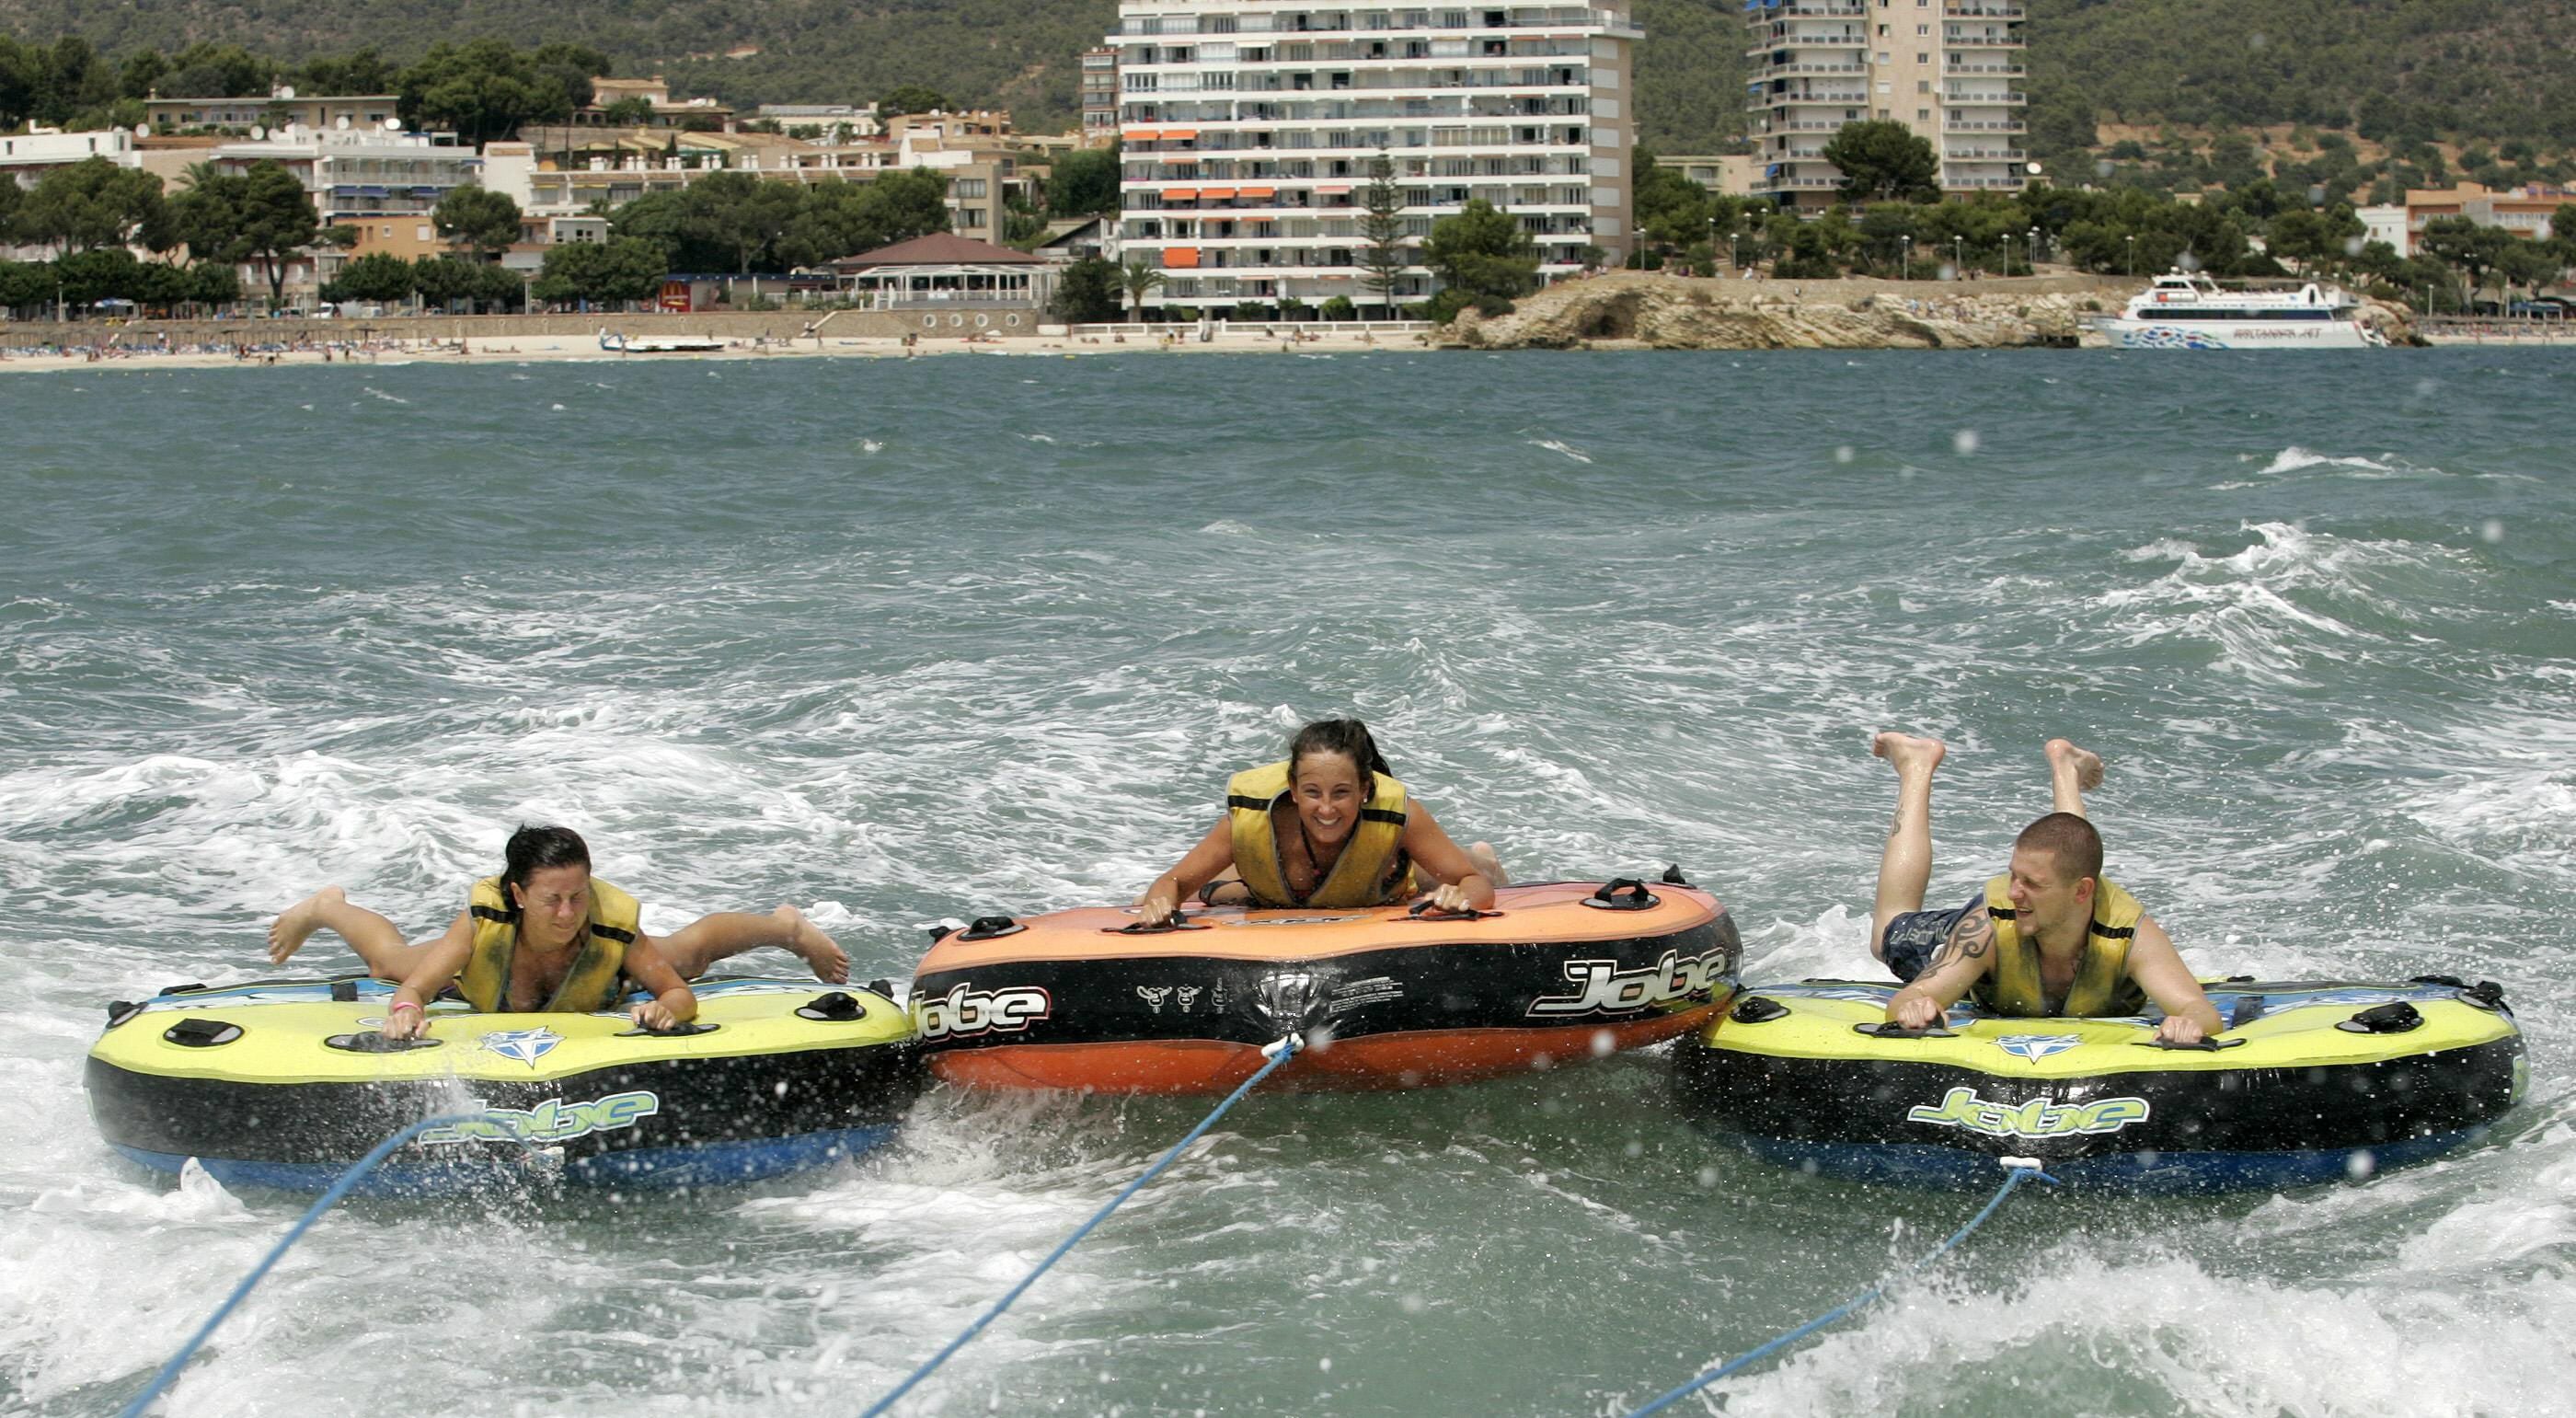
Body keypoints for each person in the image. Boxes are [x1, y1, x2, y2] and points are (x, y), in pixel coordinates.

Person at [267, 825, 850, 1038]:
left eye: (579, 895)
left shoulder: (606, 926)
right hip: (481, 982)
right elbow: (414, 989)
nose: (570, 912)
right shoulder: (482, 924)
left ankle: (785, 926)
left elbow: (679, 993)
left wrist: (668, 1009)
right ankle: (325, 906)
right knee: (389, 962)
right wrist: (406, 1009)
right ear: (518, 896)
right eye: (553, 900)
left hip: (602, 975)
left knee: (689, 954)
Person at [1868, 734, 2223, 1045]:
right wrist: (1917, 1006)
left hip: (2065, 900)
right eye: (2013, 877)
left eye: (2033, 884)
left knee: (2071, 852)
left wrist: (2187, 1022)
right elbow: (1912, 996)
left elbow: (2200, 1011)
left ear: (2085, 892)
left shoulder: (2130, 935)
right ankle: (1915, 765)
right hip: (2007, 922)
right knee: (1886, 933)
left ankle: (2066, 766)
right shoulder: (1988, 927)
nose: (2014, 892)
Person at [1135, 719, 1505, 925]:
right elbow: (1172, 881)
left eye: (1341, 793)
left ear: (1364, 789)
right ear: (1293, 789)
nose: (1327, 809)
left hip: (1383, 880)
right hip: (1278, 890)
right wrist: (1160, 904)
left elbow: (1474, 886)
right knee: (1218, 891)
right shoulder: (1246, 822)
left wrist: (1458, 895)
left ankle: (1483, 854)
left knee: (1464, 873)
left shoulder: (1399, 817)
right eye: (1313, 793)